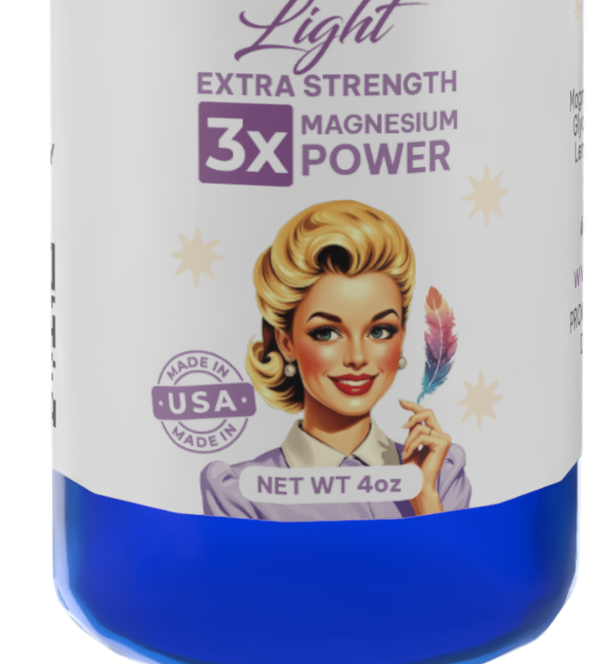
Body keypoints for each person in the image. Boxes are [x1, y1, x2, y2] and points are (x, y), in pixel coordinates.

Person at [201, 200, 470, 520]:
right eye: (327, 333)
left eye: (379, 331)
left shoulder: (439, 474)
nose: (357, 357)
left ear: (402, 336)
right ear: (286, 342)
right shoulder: (239, 492)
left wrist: (424, 499)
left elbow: (452, 557)